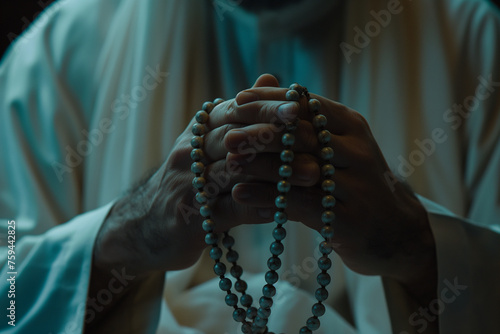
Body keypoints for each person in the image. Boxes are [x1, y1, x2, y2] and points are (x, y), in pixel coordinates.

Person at [0, 0, 499, 333]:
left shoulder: (476, 44)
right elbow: (9, 299)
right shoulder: (53, 57)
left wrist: (418, 246)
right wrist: (126, 235)